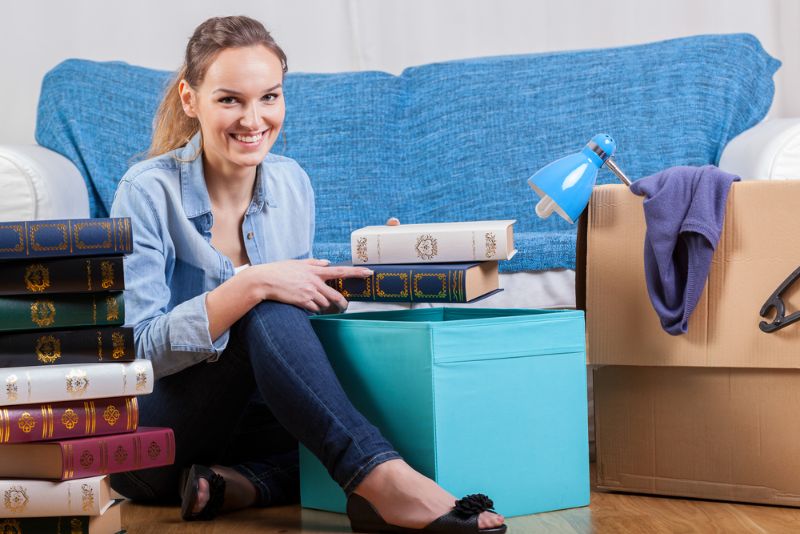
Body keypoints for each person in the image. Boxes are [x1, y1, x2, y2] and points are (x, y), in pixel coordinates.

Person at [109, 15, 506, 533]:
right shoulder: (144, 193)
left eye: (269, 97)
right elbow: (134, 353)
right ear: (191, 100)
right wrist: (251, 284)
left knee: (337, 405)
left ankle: (244, 484)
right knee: (265, 303)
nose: (254, 120)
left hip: (258, 425)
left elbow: (291, 337)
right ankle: (380, 483)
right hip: (153, 445)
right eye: (230, 99)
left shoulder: (293, 183)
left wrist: (382, 274)